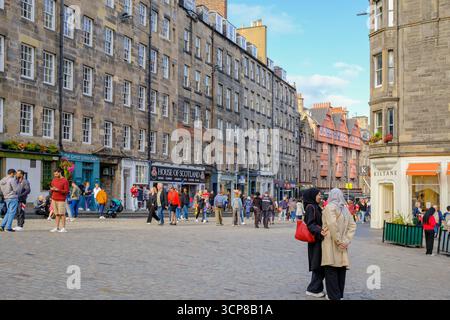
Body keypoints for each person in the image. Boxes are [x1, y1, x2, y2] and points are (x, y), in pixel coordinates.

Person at [321, 188, 357, 300]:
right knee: (341, 269)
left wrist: (338, 241)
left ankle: (333, 296)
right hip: (343, 245)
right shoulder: (345, 209)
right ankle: (339, 294)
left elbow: (332, 224)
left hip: (331, 242)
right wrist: (346, 241)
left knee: (331, 269)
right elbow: (353, 225)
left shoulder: (329, 207)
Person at [303, 188, 328, 298]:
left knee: (320, 264)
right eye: (318, 194)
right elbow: (310, 224)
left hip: (319, 239)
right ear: (313, 195)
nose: (320, 196)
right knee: (317, 264)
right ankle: (312, 289)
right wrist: (320, 230)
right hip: (315, 240)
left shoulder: (316, 206)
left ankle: (316, 288)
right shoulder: (310, 207)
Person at [49, 169, 69, 233]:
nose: (55, 175)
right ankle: (56, 227)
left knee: (62, 214)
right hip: (54, 199)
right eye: (54, 174)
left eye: (56, 174)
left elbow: (66, 191)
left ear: (60, 173)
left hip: (61, 200)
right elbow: (52, 188)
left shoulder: (65, 181)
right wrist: (52, 190)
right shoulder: (54, 180)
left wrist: (58, 190)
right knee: (56, 214)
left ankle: (63, 228)